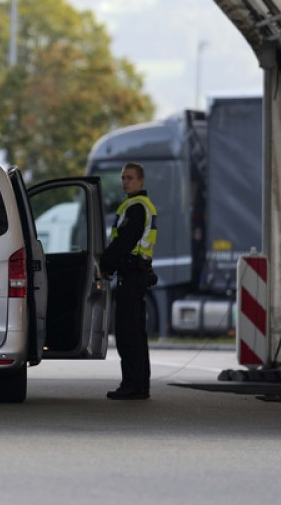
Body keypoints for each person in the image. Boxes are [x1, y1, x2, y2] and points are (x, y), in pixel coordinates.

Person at [99, 162, 157, 400]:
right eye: (123, 178)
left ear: (141, 181)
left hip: (131, 275)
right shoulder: (137, 205)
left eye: (130, 178)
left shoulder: (136, 207)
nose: (125, 182)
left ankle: (132, 385)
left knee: (127, 333)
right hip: (137, 274)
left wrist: (105, 264)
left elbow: (124, 243)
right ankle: (139, 384)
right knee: (136, 333)